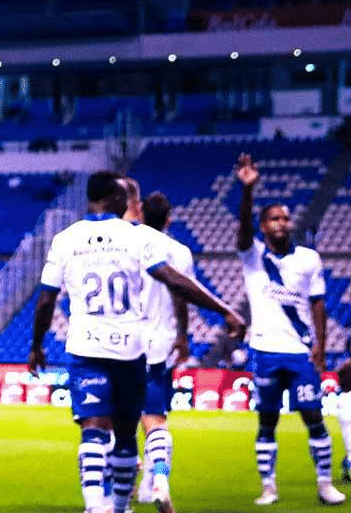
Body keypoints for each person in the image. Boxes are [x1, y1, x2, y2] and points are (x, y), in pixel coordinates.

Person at [29, 171, 245, 513]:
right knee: (128, 435)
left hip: (86, 347)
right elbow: (175, 281)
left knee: (94, 429)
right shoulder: (135, 239)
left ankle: (94, 506)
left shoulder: (64, 239)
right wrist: (224, 310)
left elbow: (46, 301)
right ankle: (117, 506)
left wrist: (37, 345)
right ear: (117, 200)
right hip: (130, 349)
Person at [234, 154, 346, 506]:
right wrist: (248, 192)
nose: (282, 223)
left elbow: (318, 304)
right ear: (263, 226)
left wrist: (321, 348)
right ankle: (269, 486)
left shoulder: (309, 259)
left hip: (300, 351)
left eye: (285, 218)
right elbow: (241, 229)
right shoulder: (253, 258)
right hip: (265, 351)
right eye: (274, 219)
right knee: (267, 422)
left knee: (313, 416)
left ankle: (325, 483)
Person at [129, 189, 196, 513]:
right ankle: (158, 479)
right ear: (170, 218)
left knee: (119, 417)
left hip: (123, 340)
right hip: (161, 341)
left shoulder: (127, 239)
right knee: (156, 416)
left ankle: (127, 479)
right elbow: (180, 295)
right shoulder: (180, 252)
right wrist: (182, 336)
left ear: (140, 211)